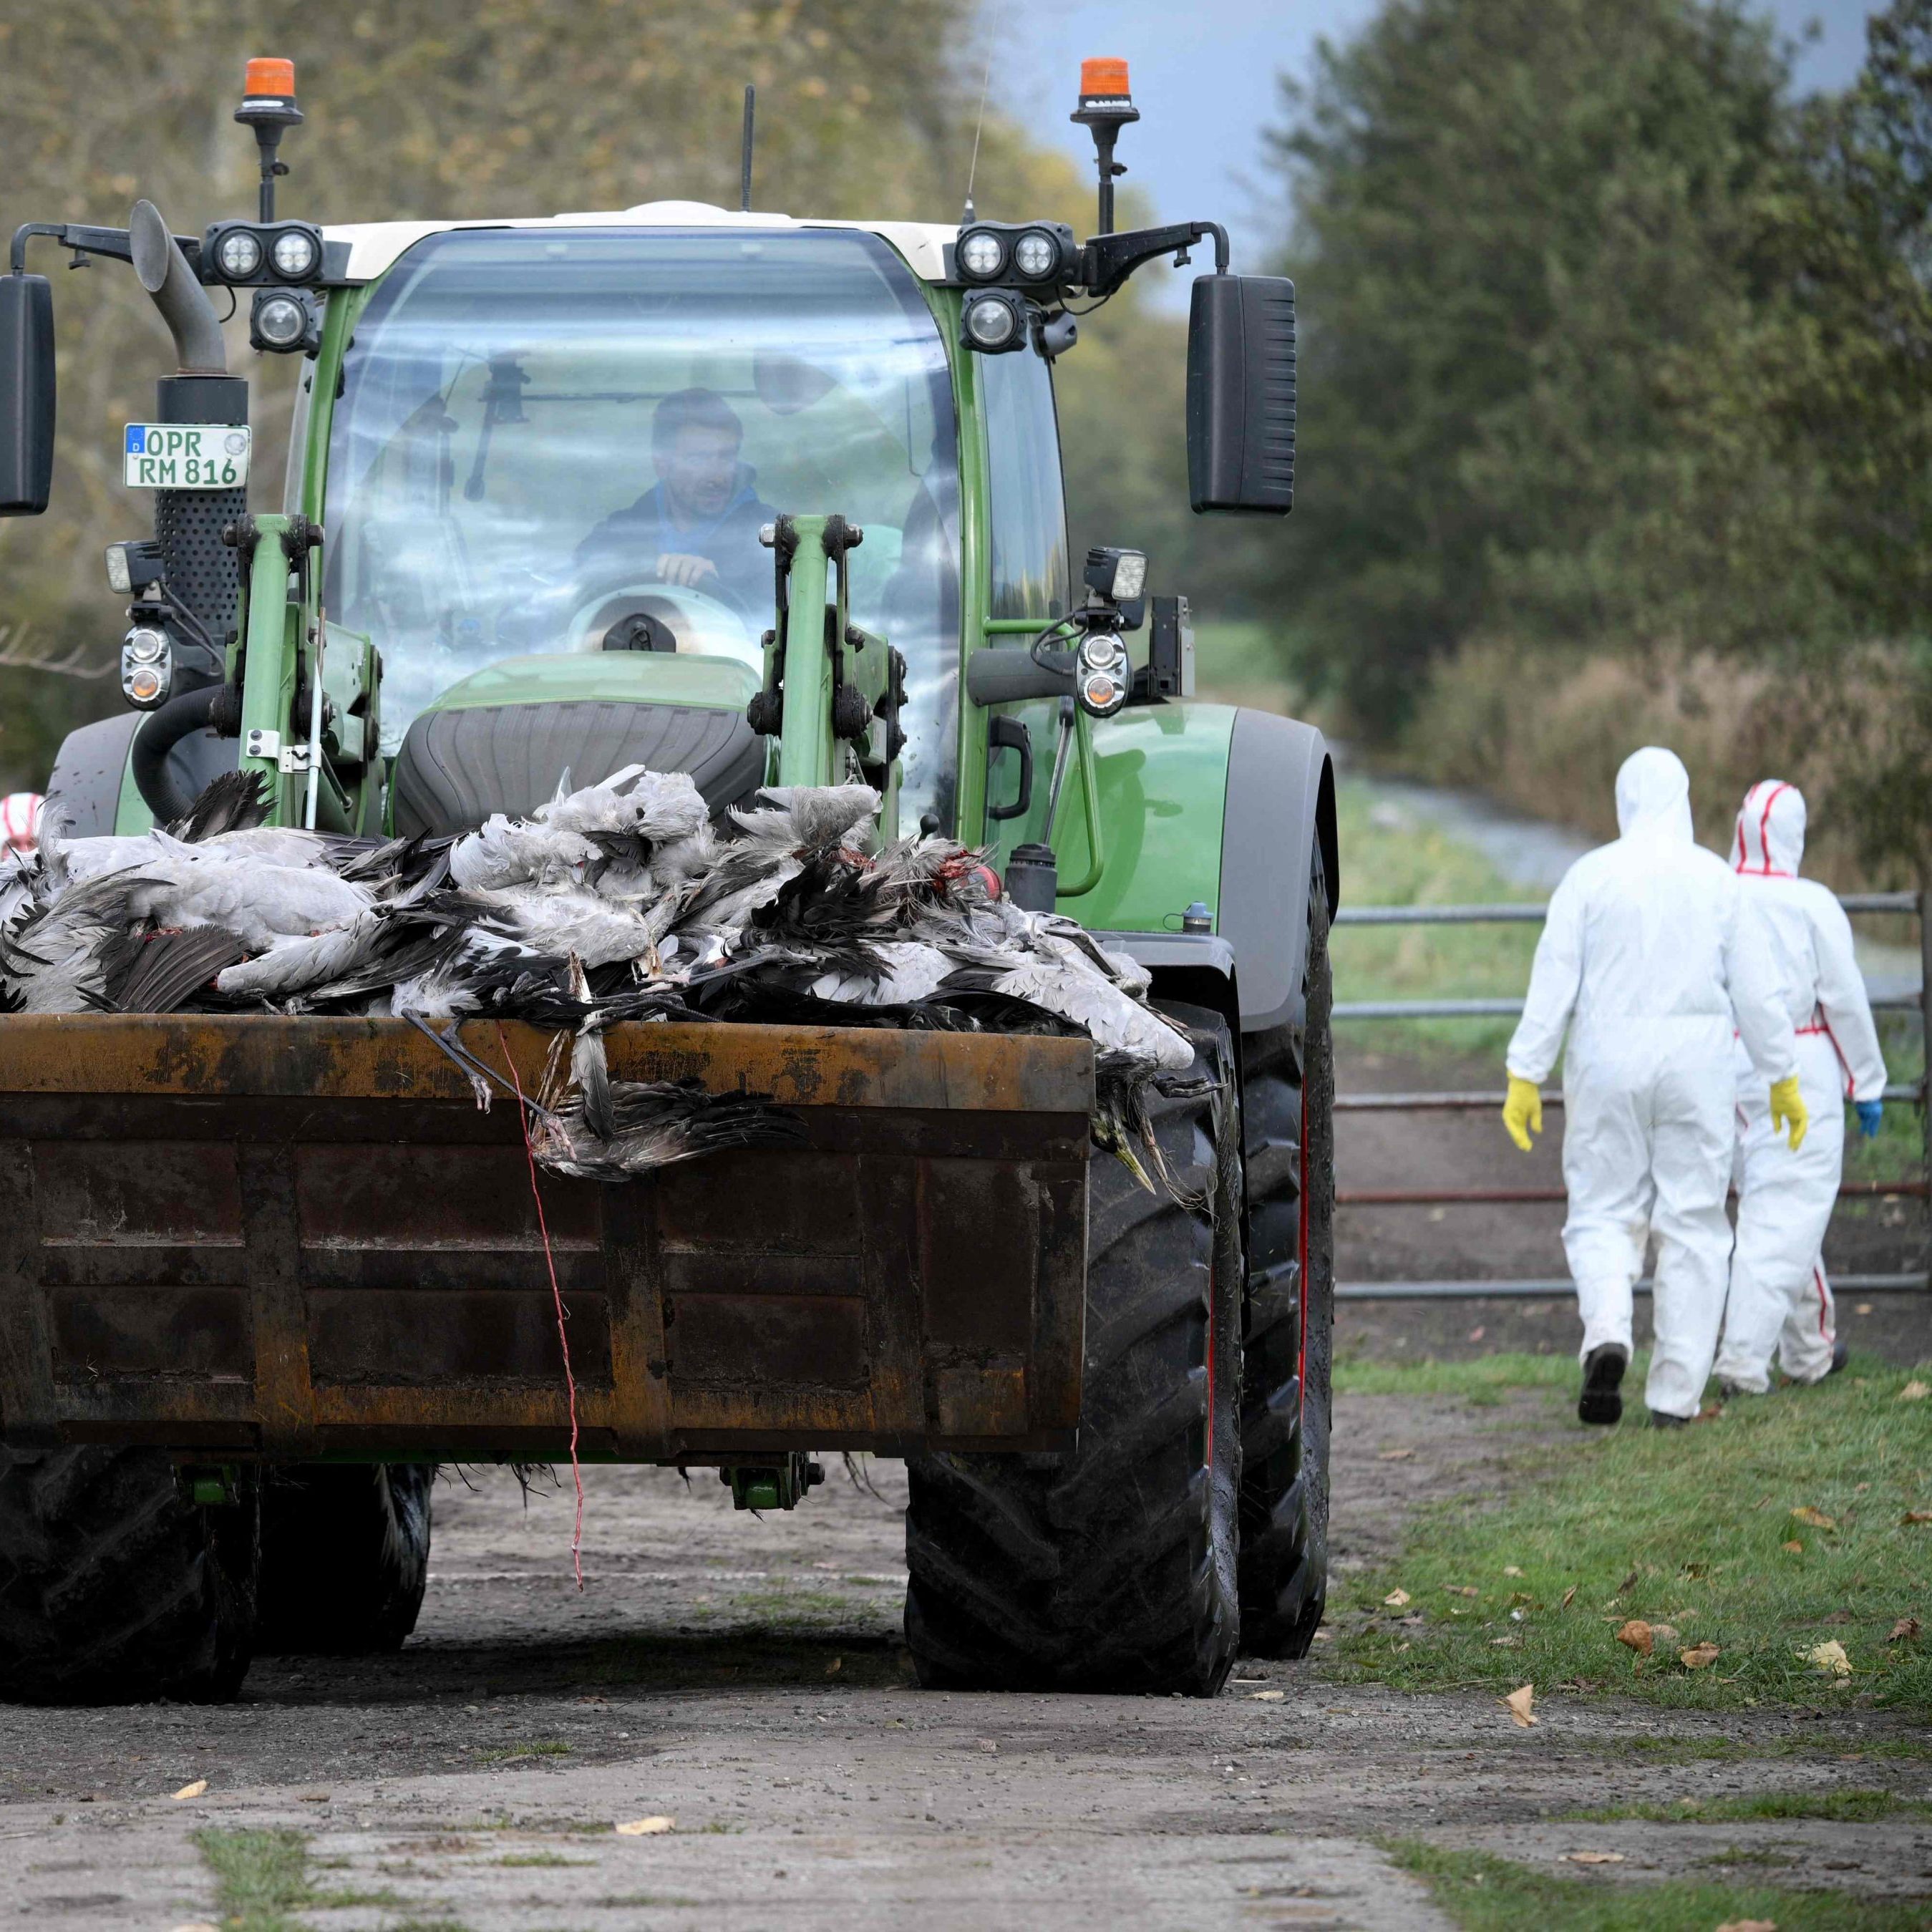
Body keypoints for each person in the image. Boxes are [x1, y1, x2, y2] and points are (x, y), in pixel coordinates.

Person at [1500, 747, 1806, 1429]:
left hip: (1605, 1058)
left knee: (1602, 1208)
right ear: (1683, 799)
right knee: (1693, 1223)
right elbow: (1758, 991)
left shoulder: (1588, 875)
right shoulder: (1716, 878)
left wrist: (1526, 1071)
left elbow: (1553, 979)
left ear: (1624, 801)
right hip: (1698, 1063)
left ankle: (1608, 1331)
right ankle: (1673, 1396)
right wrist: (1781, 1075)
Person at [1714, 781, 1885, 1394]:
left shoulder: (1714, 892)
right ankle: (1740, 1362)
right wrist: (1866, 1079)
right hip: (1796, 1059)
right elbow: (1844, 997)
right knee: (1783, 1213)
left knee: (1778, 1209)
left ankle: (1810, 1350)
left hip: (1720, 1065)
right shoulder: (1810, 903)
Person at [574, 388, 776, 611]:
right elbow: (575, 590)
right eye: (698, 459)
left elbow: (782, 612)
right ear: (661, 465)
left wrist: (720, 584)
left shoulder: (770, 539)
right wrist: (644, 566)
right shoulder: (619, 534)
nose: (717, 477)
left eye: (726, 457)